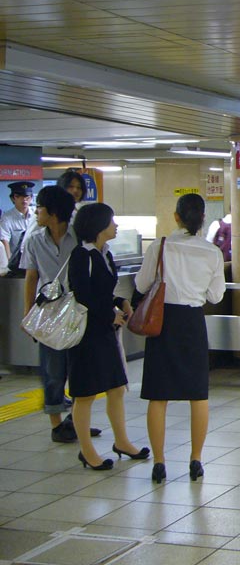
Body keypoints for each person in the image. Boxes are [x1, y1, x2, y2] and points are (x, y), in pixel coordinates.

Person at [136, 194, 225, 484]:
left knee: (158, 394)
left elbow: (141, 284)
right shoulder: (212, 252)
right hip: (192, 322)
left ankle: (159, 462)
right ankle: (195, 459)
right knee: (198, 394)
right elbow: (215, 296)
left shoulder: (160, 246)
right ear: (202, 219)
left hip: (163, 322)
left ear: (176, 217)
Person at [68, 203, 148, 471]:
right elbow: (82, 296)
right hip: (86, 334)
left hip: (105, 333)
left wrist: (119, 302)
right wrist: (107, 315)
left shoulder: (105, 254)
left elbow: (101, 292)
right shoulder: (81, 255)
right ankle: (87, 451)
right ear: (98, 225)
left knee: (115, 388)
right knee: (85, 394)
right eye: (112, 221)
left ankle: (122, 441)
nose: (116, 226)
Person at [22, 185, 103, 443]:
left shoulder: (79, 237)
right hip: (48, 314)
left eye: (40, 208)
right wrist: (28, 314)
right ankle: (57, 425)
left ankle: (78, 421)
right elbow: (31, 277)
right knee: (52, 371)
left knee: (80, 369)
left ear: (54, 212)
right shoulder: (34, 240)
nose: (36, 212)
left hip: (78, 311)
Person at [1, 181, 37, 276]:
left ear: (31, 198)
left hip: (36, 260)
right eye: (19, 197)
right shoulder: (7, 218)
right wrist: (9, 263)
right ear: (13, 198)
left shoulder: (36, 215)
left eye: (27, 197)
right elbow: (5, 241)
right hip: (17, 263)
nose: (24, 200)